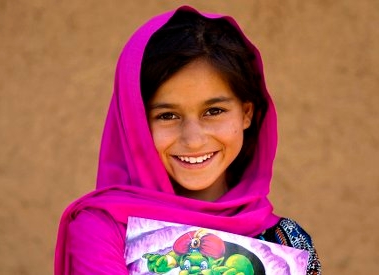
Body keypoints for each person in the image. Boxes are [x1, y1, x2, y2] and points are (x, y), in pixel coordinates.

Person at [55, 6, 321, 275]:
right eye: (167, 115)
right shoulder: (103, 229)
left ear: (246, 113)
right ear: (135, 123)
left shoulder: (288, 240)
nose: (193, 140)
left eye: (213, 111)